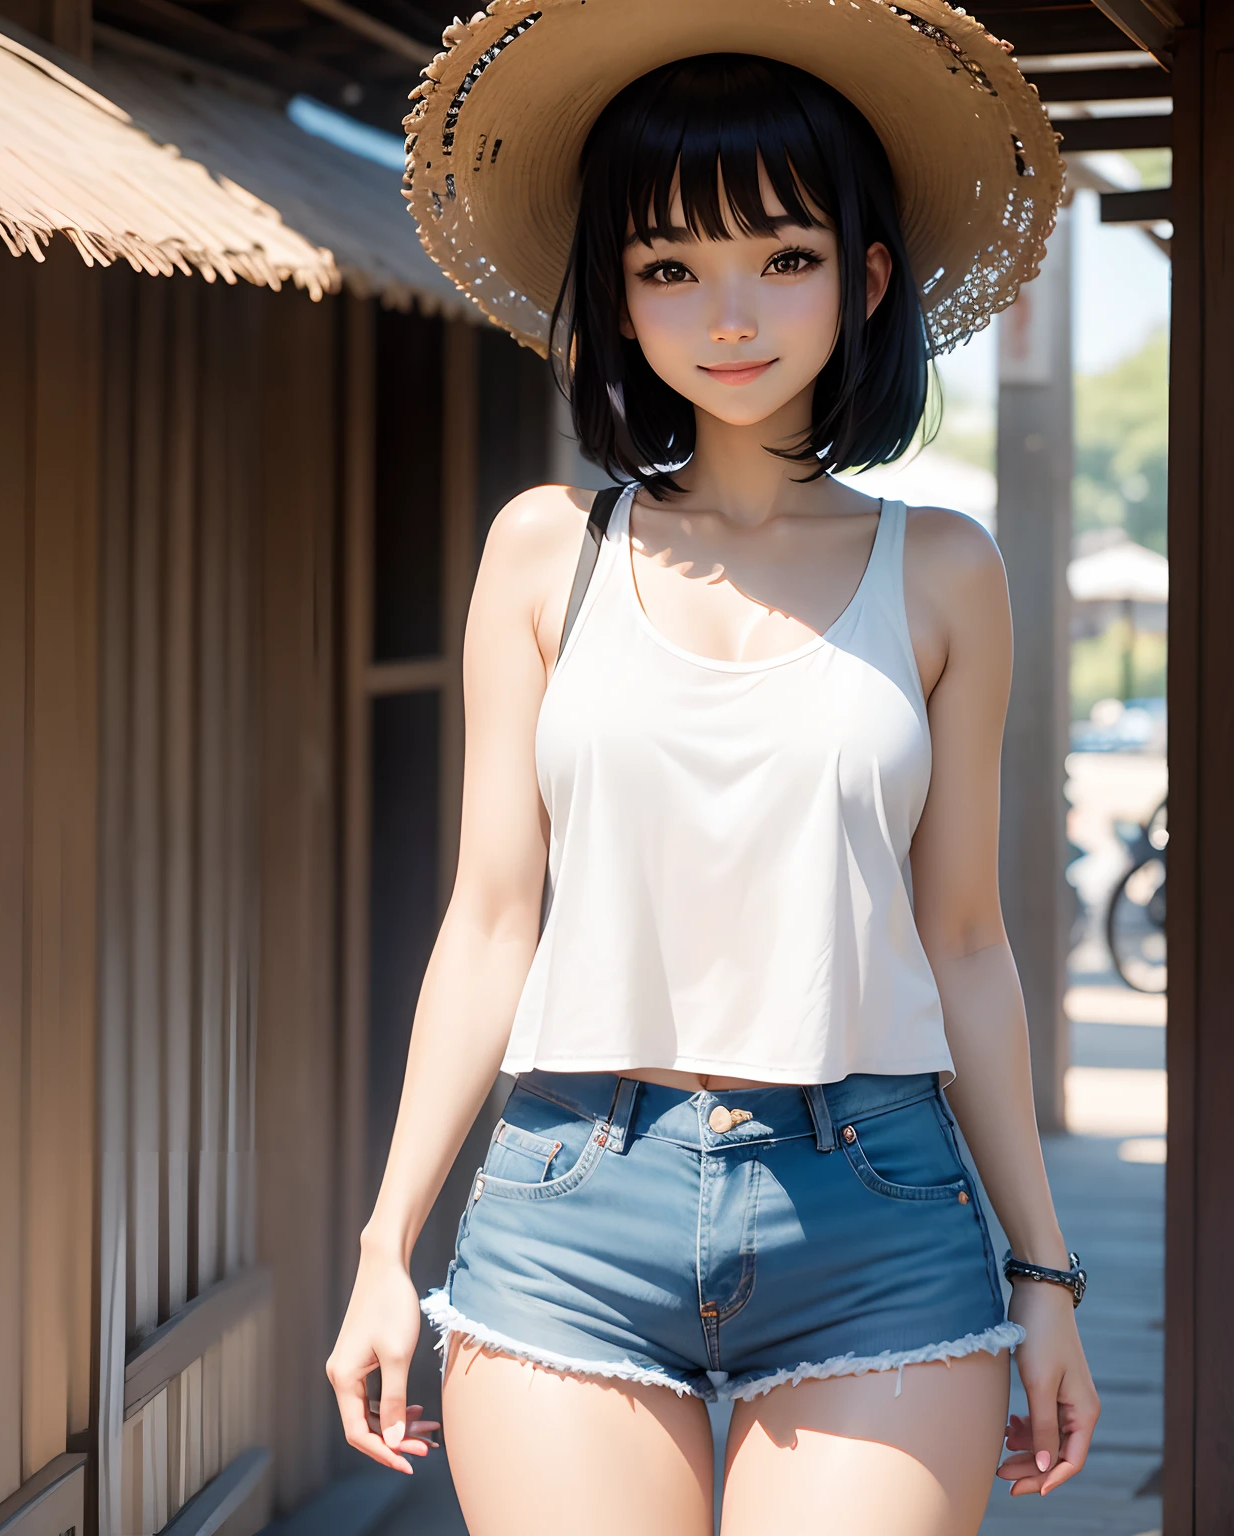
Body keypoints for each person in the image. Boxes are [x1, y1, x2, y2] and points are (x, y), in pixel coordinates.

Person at [327, 4, 1097, 1531]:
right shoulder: (546, 550)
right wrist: (381, 1248)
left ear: (865, 278)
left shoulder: (944, 570)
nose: (727, 313)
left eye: (783, 257)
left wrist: (1048, 1272)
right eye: (669, 268)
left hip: (874, 1204)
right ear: (617, 302)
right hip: (567, 1198)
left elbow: (965, 941)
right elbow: (491, 921)